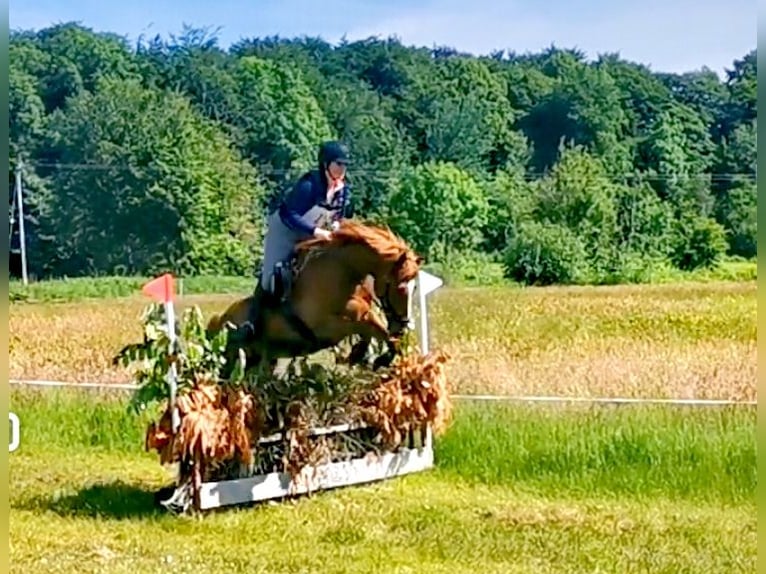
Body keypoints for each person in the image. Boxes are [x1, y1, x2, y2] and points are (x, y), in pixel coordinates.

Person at [240, 140, 355, 336]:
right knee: (271, 278)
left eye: (345, 165)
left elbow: (339, 215)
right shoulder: (309, 185)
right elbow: (290, 215)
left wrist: (335, 226)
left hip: (314, 232)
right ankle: (252, 322)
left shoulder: (343, 190)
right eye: (338, 164)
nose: (342, 169)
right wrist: (316, 232)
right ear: (326, 164)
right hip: (285, 230)